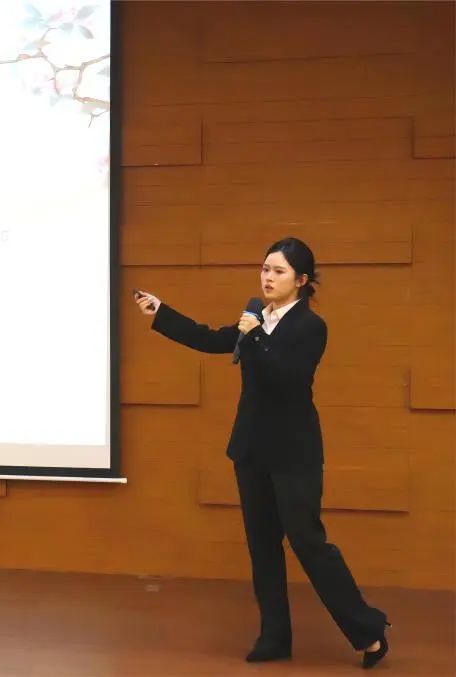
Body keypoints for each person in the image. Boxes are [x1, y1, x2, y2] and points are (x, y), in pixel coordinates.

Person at [134, 237, 390, 669]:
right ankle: (274, 636)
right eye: (265, 269)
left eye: (279, 271)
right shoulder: (257, 318)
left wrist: (253, 336)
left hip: (294, 453)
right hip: (252, 449)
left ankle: (368, 631)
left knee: (309, 543)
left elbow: (288, 377)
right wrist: (162, 313)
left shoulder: (310, 327)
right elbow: (211, 340)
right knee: (262, 546)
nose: (268, 278)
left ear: (301, 280)